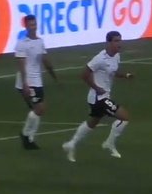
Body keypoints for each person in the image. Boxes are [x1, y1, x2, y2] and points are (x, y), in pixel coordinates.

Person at [62, 31, 134, 162]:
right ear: (109, 42)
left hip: (102, 96)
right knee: (124, 117)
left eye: (120, 40)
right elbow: (84, 75)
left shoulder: (116, 56)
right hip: (99, 98)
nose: (119, 43)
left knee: (92, 123)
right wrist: (97, 88)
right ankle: (109, 144)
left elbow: (113, 71)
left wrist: (125, 75)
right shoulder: (100, 59)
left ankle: (71, 144)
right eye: (116, 41)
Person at [14, 14, 57, 150]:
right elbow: (21, 65)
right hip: (27, 82)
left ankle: (29, 138)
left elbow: (45, 60)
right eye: (31, 25)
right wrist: (25, 83)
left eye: (35, 24)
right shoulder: (22, 43)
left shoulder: (40, 41)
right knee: (39, 108)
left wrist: (53, 75)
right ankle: (26, 135)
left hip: (37, 81)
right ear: (26, 26)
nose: (33, 27)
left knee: (38, 110)